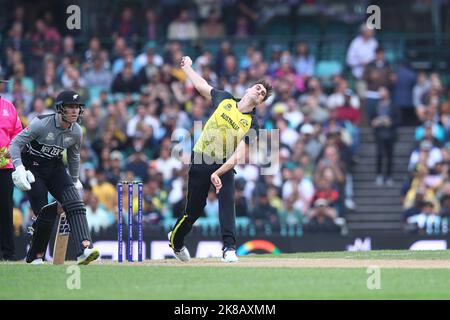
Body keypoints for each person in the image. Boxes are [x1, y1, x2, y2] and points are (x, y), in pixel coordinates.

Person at [168, 56, 272, 263]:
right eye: (258, 88)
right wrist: (188, 67)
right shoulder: (225, 99)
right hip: (201, 158)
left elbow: (240, 155)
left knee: (227, 200)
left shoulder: (253, 125)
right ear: (248, 90)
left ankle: (229, 248)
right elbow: (201, 85)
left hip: (224, 164)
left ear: (260, 102)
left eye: (262, 94)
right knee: (194, 211)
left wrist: (218, 173)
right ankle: (176, 241)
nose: (259, 92)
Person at [9, 90, 100, 265]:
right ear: (60, 109)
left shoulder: (76, 131)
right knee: (45, 212)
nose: (74, 111)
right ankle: (36, 255)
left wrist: (74, 180)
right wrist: (19, 167)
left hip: (54, 166)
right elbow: (15, 144)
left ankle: (84, 249)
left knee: (74, 201)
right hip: (32, 166)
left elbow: (74, 157)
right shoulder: (41, 124)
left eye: (77, 107)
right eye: (70, 107)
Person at [0, 82, 22, 261]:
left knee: (6, 210)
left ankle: (8, 253)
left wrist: (11, 149)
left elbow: (17, 133)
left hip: (5, 166)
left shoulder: (9, 107)